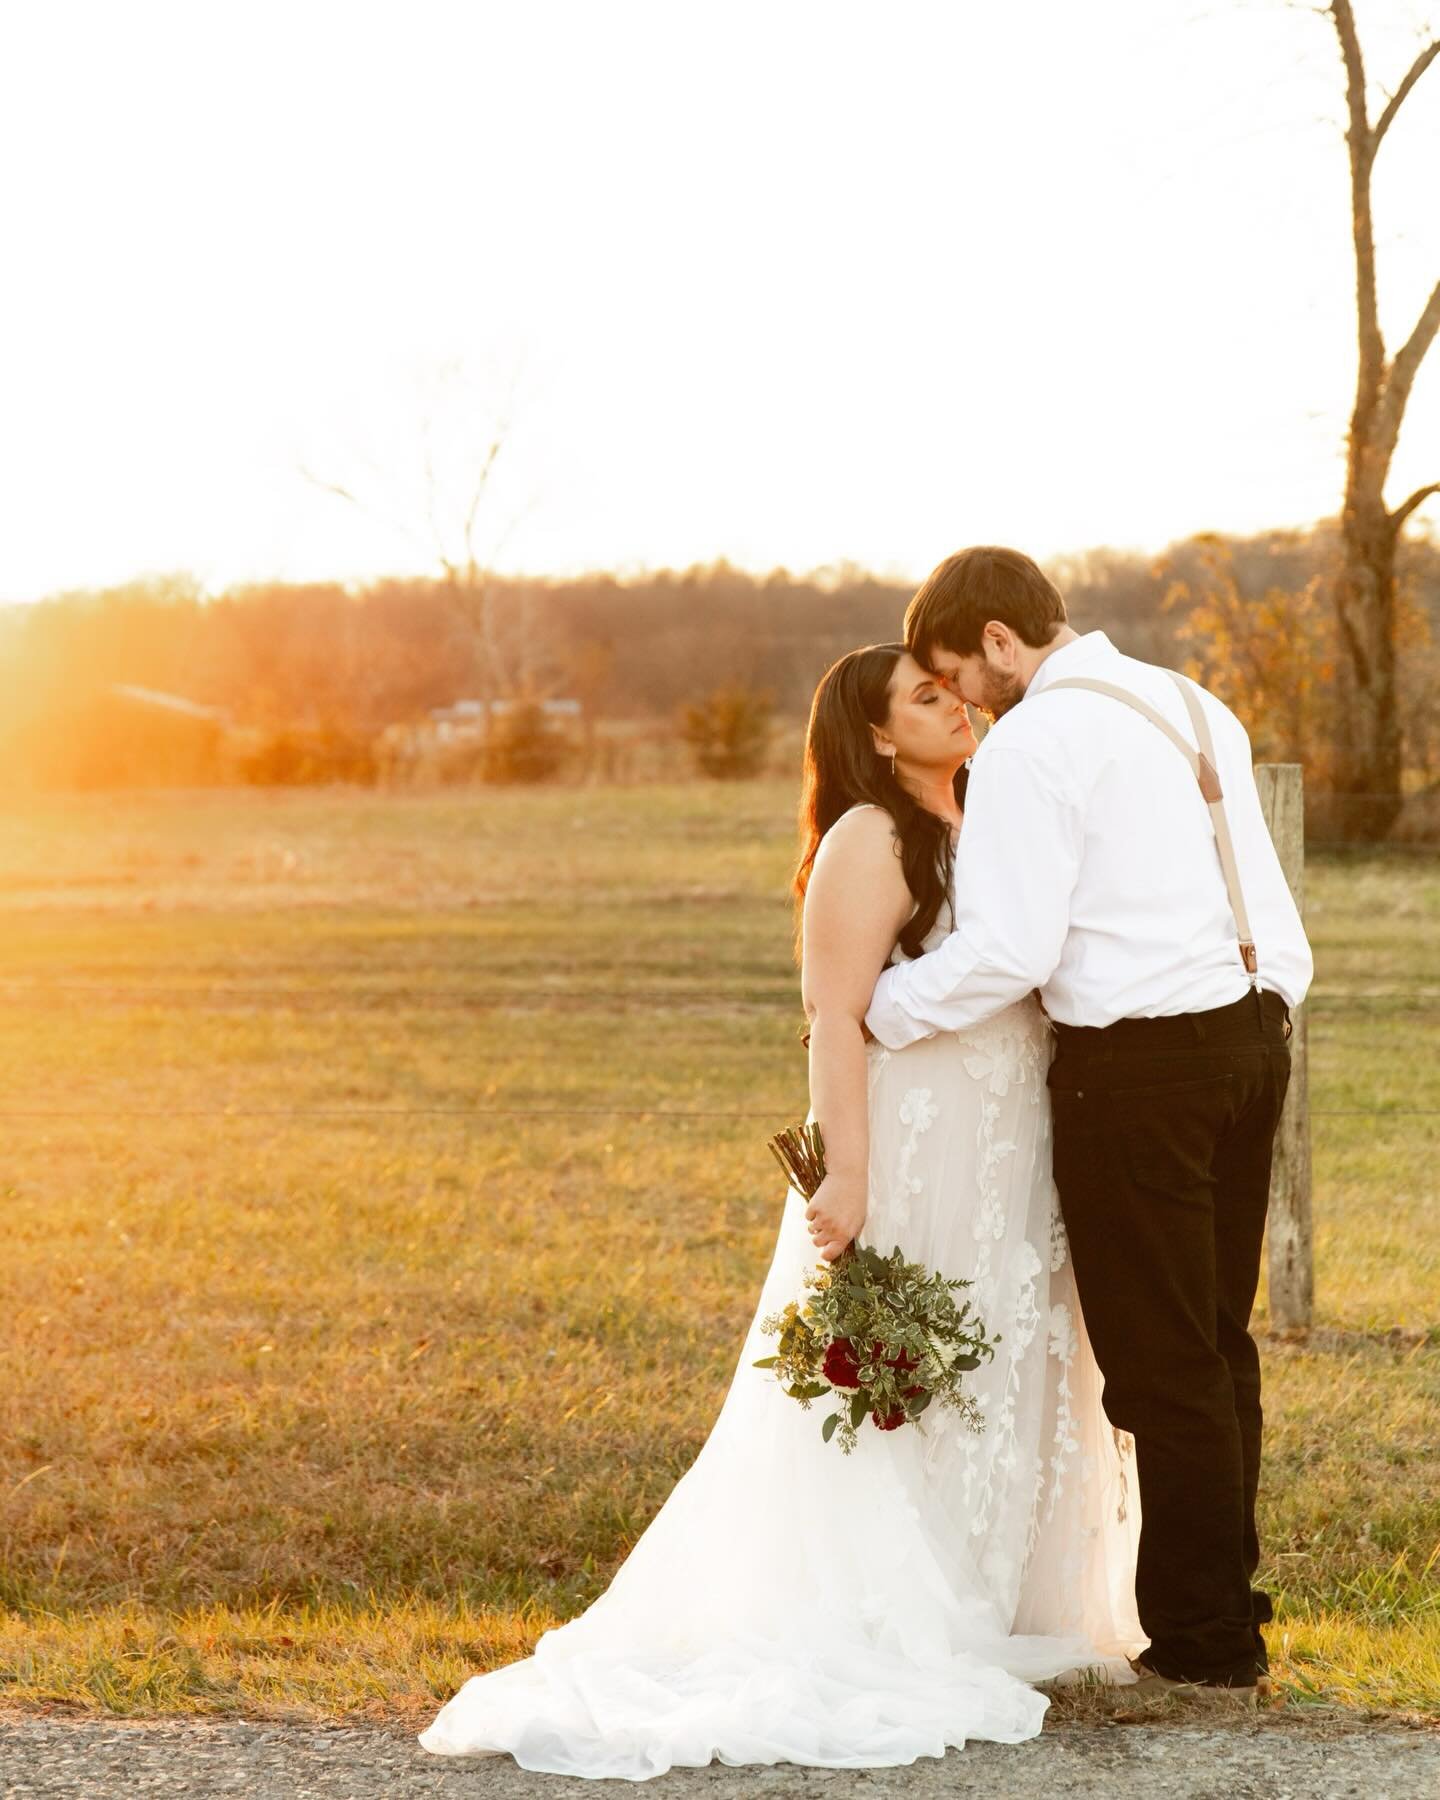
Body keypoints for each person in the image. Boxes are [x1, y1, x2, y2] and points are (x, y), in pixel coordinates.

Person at [419, 641, 1142, 1781]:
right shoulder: (871, 838)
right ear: (875, 736)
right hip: (914, 1144)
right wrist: (845, 1176)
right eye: (926, 696)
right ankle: (895, 1614)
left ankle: (996, 1597)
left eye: (953, 687)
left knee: (1006, 1352)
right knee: (916, 1367)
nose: (957, 705)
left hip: (1010, 1139)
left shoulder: (986, 816)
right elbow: (835, 1018)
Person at [866, 546, 1314, 1703]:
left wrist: (883, 1006)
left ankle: (1206, 1643)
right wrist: (1262, 1006)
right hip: (1251, 1041)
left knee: (1163, 1364)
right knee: (1217, 1346)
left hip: (1138, 1073)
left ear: (1003, 643)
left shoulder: (1033, 743)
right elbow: (1262, 894)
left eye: (963, 676)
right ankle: (1223, 1616)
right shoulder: (1192, 699)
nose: (964, 703)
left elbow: (1012, 949)